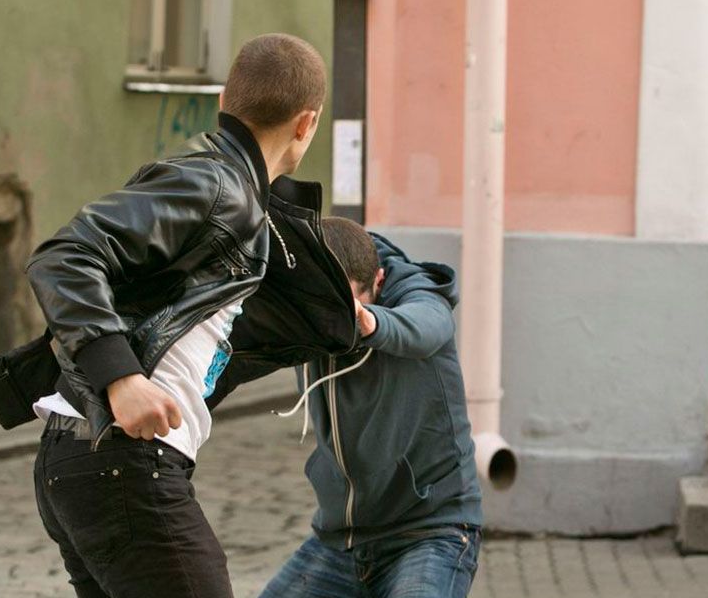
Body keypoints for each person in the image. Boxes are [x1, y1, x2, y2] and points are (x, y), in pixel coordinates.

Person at [25, 34, 326, 598]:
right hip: (123, 462)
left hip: (91, 459)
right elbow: (64, 256)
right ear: (306, 123)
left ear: (222, 100)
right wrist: (122, 377)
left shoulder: (237, 197)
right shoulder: (216, 186)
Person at [259, 217, 483, 598]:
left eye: (343, 309)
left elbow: (428, 325)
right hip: (341, 542)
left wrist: (367, 322)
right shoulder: (306, 305)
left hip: (428, 532)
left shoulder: (419, 295)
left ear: (377, 282)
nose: (330, 328)